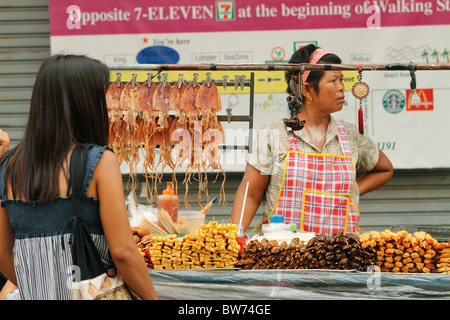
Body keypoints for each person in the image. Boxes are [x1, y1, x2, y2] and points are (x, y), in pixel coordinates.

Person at [0, 54, 158, 300]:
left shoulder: (9, 166)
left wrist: (40, 287)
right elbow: (124, 252)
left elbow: (2, 254)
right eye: (102, 97)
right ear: (85, 103)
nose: (108, 107)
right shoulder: (99, 161)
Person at [230, 44, 393, 236]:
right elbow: (250, 194)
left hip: (340, 256)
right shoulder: (274, 132)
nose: (341, 87)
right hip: (284, 255)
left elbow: (385, 169)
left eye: (341, 79)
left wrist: (354, 190)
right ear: (307, 90)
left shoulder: (350, 135)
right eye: (333, 80)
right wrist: (234, 236)